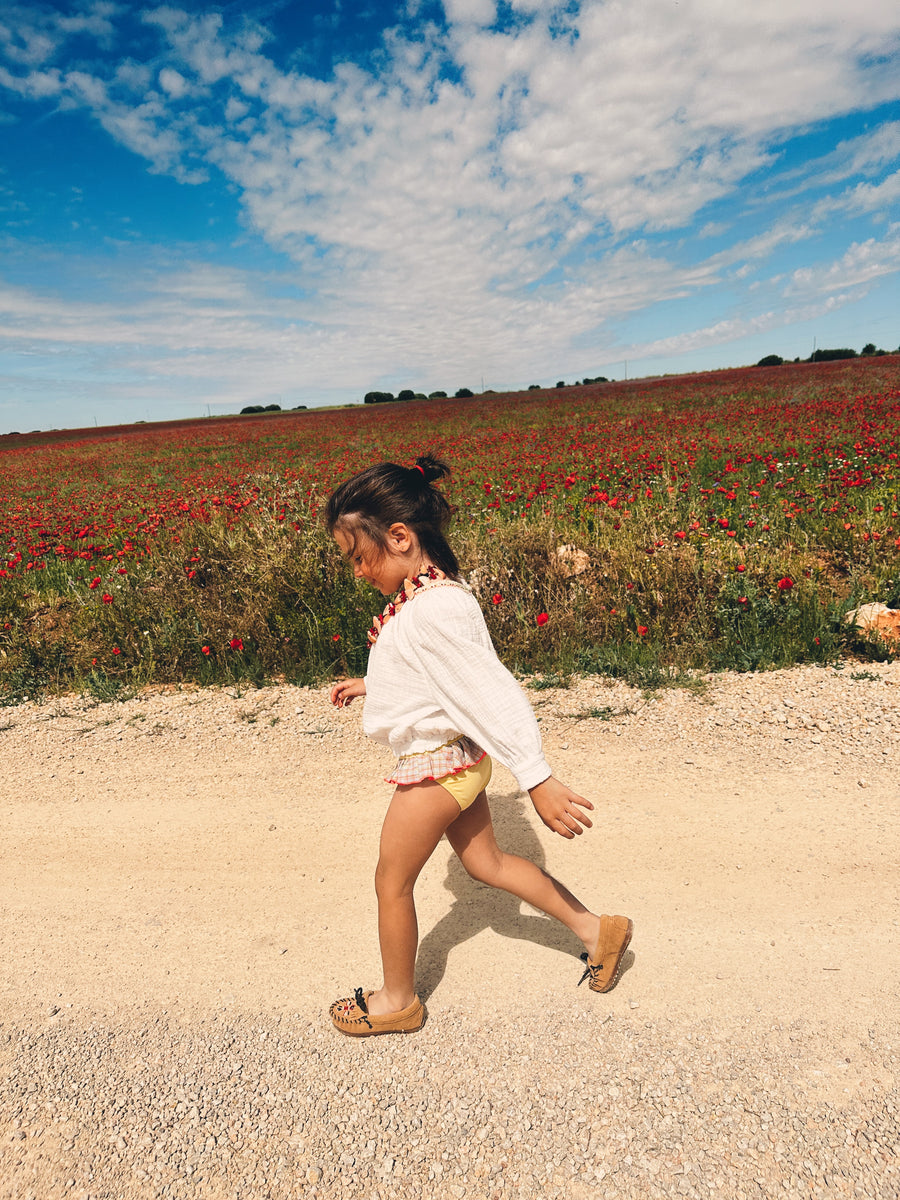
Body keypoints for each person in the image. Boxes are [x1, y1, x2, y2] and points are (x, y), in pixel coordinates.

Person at [325, 455, 632, 1036]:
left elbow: (489, 692)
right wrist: (372, 683)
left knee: (390, 880)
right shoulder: (432, 600)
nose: (358, 572)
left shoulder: (430, 610)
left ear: (399, 537)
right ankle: (598, 931)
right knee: (485, 862)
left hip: (437, 767)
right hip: (461, 760)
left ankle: (397, 1000)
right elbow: (431, 676)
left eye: (358, 556)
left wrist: (536, 777)